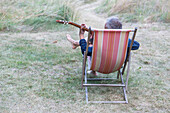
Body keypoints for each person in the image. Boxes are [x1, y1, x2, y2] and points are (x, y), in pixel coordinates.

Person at [67, 17, 140, 75]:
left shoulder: (101, 40)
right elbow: (136, 45)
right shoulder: (124, 40)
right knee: (93, 45)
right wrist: (125, 39)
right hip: (117, 66)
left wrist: (81, 35)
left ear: (106, 27)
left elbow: (85, 51)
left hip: (99, 66)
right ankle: (75, 43)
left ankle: (93, 71)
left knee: (91, 47)